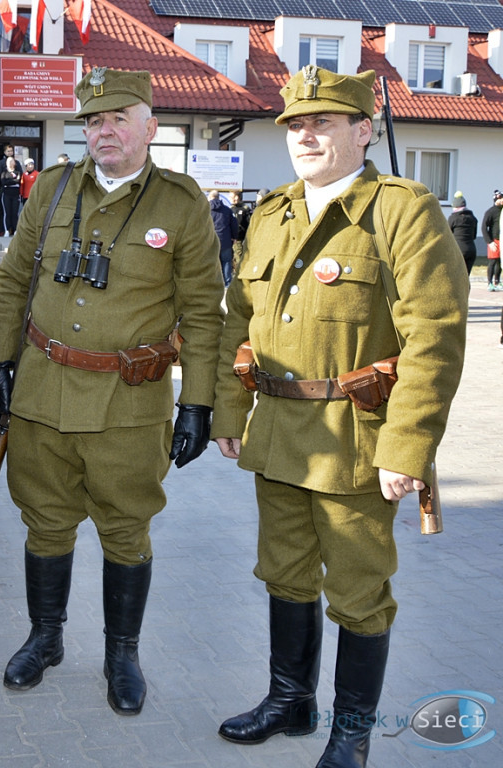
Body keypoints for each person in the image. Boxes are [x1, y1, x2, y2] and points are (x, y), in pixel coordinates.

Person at [211, 66, 468, 768]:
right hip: (278, 433)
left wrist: (407, 448)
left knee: (358, 593)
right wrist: (230, 407)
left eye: (323, 121)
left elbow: (435, 337)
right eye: (296, 124)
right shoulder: (271, 212)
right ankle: (290, 701)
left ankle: (351, 733)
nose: (306, 135)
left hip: (358, 441)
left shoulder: (402, 209)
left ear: (362, 130)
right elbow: (240, 317)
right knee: (284, 574)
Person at [0, 68, 224, 715]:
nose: (106, 131)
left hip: (129, 404)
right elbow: (11, 282)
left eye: (120, 117)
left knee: (125, 529)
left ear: (150, 125)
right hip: (43, 392)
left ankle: (122, 653)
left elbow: (203, 311)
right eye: (94, 120)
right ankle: (46, 638)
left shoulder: (179, 202)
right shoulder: (55, 189)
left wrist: (201, 401)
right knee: (46, 523)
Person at [208, 189, 237, 286]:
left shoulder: (206, 210)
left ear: (210, 197)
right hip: (225, 240)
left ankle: (213, 283)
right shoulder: (227, 210)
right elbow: (234, 224)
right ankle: (227, 283)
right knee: (227, 261)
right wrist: (234, 237)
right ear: (219, 197)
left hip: (211, 241)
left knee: (212, 262)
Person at [447, 191, 478, 274]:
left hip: (458, 249)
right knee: (466, 277)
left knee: (457, 276)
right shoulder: (473, 218)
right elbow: (474, 236)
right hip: (471, 250)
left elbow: (448, 234)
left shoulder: (453, 218)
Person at [481, 189, 502, 289]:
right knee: (493, 261)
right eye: (500, 198)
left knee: (500, 262)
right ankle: (490, 282)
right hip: (494, 240)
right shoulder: (490, 212)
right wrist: (489, 242)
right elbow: (484, 227)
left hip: (502, 239)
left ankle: (498, 281)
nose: (502, 200)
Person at [230, 189, 253, 274]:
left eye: (233, 197)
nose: (232, 199)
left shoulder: (245, 209)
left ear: (238, 197)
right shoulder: (231, 209)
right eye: (231, 197)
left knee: (239, 255)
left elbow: (249, 223)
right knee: (234, 256)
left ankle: (240, 272)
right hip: (231, 237)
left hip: (240, 237)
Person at [0, 155, 22, 236]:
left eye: (11, 161)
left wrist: (10, 181)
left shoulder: (18, 172)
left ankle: (15, 230)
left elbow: (18, 181)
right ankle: (7, 230)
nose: (10, 163)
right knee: (7, 213)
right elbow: (3, 182)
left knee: (15, 213)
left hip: (16, 195)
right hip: (6, 195)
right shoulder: (4, 173)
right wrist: (13, 181)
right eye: (8, 161)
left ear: (14, 163)